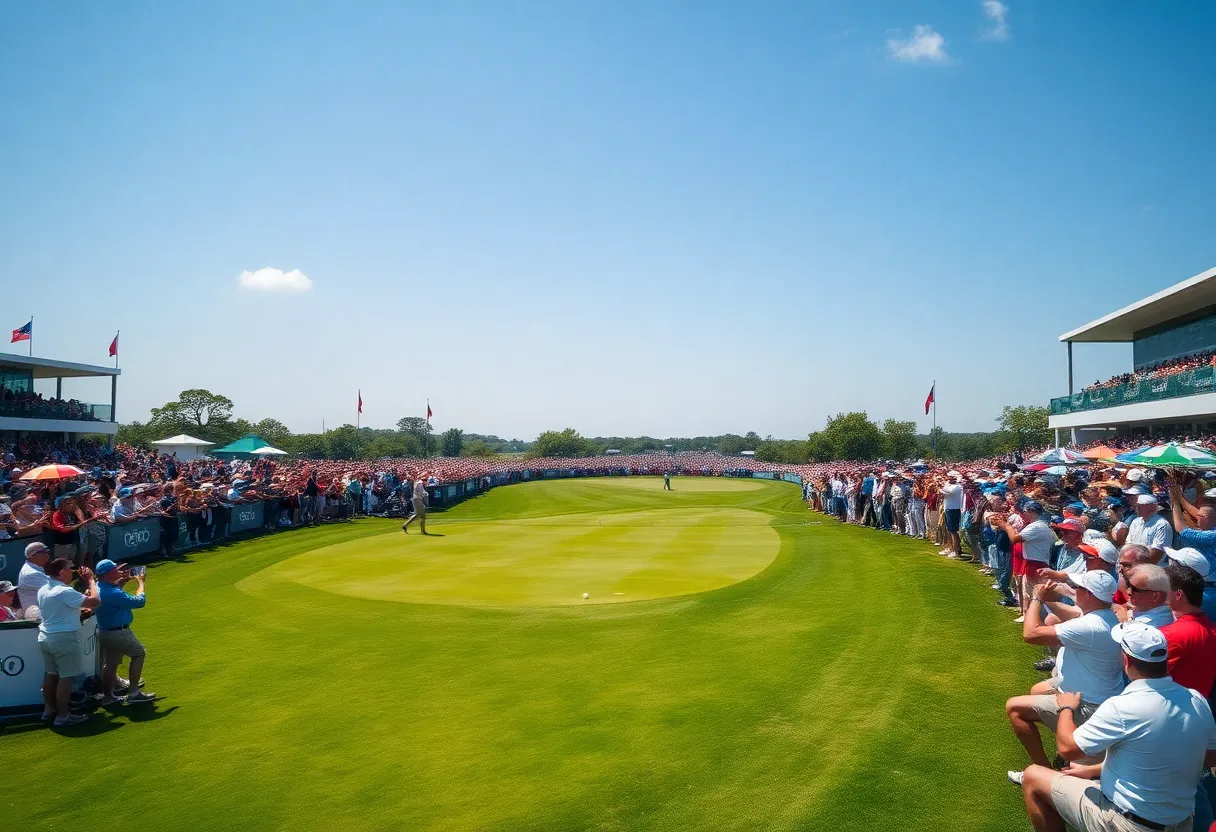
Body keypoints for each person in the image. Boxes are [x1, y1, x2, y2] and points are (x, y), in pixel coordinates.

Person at [1017, 622, 1216, 832]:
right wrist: (1097, 770)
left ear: (1126, 659)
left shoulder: (1123, 706)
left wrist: (1065, 707)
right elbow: (1209, 756)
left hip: (1128, 824)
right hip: (1181, 824)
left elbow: (1067, 748)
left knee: (1032, 776)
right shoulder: (1196, 699)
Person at [1005, 571, 1123, 770]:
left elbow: (1031, 634)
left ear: (1089, 595)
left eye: (1079, 588)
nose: (1075, 590)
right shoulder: (1107, 616)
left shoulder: (1090, 626)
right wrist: (1055, 597)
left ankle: (1042, 769)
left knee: (1014, 708)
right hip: (1097, 695)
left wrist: (1036, 598)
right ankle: (1066, 749)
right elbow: (1073, 613)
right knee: (1037, 690)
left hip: (1085, 704)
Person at [37, 558, 100, 727]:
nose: (73, 571)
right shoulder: (63, 591)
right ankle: (63, 717)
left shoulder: (44, 589)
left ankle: (49, 711)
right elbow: (95, 601)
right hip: (63, 638)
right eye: (70, 569)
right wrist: (91, 581)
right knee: (66, 678)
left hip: (45, 637)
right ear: (62, 571)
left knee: (51, 674)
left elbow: (66, 606)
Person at [94, 559, 155, 704]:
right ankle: (134, 693)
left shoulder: (99, 587)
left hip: (105, 631)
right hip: (119, 633)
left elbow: (114, 588)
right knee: (139, 654)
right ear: (108, 573)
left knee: (111, 664)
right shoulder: (112, 593)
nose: (119, 571)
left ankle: (108, 697)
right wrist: (140, 583)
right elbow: (139, 601)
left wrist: (122, 581)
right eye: (115, 569)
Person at [1119, 563, 1175, 628]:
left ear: (1155, 596)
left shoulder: (1146, 626)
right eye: (1128, 585)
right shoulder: (1163, 610)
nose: (1129, 592)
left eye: (1135, 589)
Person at [1126, 494, 1172, 562]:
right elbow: (1128, 544)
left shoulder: (1161, 525)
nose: (1137, 508)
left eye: (1140, 506)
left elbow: (1157, 553)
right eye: (1137, 505)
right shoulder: (1135, 522)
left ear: (1151, 507)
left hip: (1154, 567)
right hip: (1134, 562)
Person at [18, 540, 51, 609]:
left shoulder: (36, 568)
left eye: (47, 552)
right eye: (43, 552)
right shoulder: (31, 573)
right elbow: (56, 591)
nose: (47, 554)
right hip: (36, 616)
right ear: (32, 555)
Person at [939, 473, 965, 558]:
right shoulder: (950, 486)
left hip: (954, 509)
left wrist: (939, 487)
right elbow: (944, 492)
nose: (949, 479)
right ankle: (955, 548)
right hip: (949, 509)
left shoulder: (957, 487)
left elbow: (947, 493)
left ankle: (956, 550)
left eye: (951, 478)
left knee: (953, 531)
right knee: (950, 530)